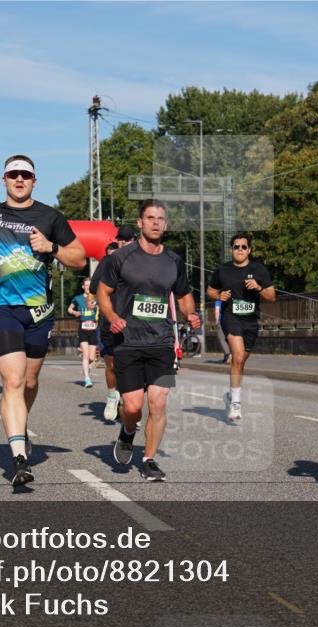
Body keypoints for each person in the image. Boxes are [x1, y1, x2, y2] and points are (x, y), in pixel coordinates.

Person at [0, 154, 86, 488]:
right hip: (1, 309)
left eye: (26, 175)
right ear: (3, 179)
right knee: (13, 381)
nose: (19, 179)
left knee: (29, 383)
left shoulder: (50, 216)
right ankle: (19, 456)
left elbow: (80, 257)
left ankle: (20, 421)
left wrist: (52, 247)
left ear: (34, 180)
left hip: (38, 313)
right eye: (13, 174)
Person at [97, 199, 200, 481]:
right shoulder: (121, 258)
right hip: (128, 342)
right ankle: (128, 431)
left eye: (161, 218)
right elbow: (103, 293)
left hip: (162, 343)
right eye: (150, 217)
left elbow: (183, 294)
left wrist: (191, 313)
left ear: (165, 224)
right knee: (132, 407)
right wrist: (112, 316)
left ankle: (150, 459)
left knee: (158, 402)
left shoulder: (174, 260)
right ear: (140, 222)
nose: (156, 222)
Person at [207, 233, 275, 423]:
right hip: (230, 317)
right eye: (236, 246)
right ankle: (236, 402)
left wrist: (258, 287)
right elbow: (210, 290)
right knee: (236, 357)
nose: (239, 250)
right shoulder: (223, 270)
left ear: (249, 250)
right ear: (231, 250)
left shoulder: (259, 270)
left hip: (251, 320)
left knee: (241, 360)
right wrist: (219, 295)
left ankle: (230, 395)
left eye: (243, 247)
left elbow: (272, 296)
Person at [89, 226, 137, 421]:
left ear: (135, 240)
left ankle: (131, 406)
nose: (123, 243)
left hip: (135, 322)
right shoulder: (109, 261)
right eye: (120, 240)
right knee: (112, 363)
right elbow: (93, 287)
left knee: (133, 365)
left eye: (127, 240)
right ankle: (112, 396)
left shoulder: (144, 261)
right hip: (110, 319)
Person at [68, 278, 99, 388]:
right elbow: (69, 309)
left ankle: (85, 358)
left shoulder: (96, 298)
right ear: (83, 287)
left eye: (90, 285)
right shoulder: (78, 298)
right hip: (83, 328)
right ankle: (87, 378)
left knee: (91, 357)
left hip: (93, 328)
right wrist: (75, 312)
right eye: (86, 285)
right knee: (86, 355)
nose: (88, 287)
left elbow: (101, 308)